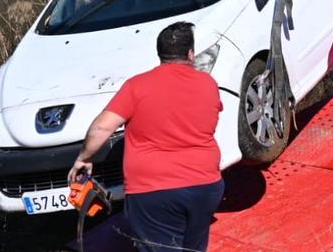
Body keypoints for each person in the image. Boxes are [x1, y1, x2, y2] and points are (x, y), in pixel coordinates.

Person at [69, 22, 224, 251]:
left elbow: (101, 129)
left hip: (154, 191)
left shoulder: (137, 86)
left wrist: (84, 157)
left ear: (159, 53)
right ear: (190, 54)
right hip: (205, 186)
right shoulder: (209, 84)